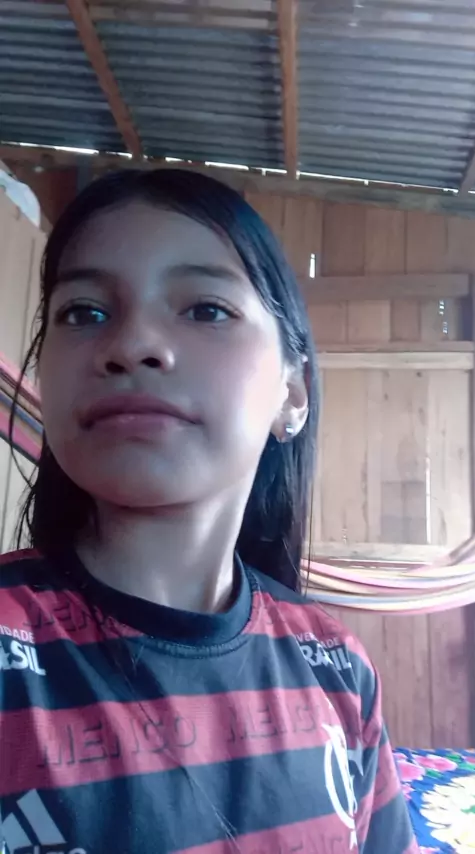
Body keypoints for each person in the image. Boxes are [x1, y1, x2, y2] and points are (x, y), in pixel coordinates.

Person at [0, 169, 417, 854]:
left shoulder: (337, 667)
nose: (132, 345)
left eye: (206, 310)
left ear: (293, 392)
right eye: (84, 312)